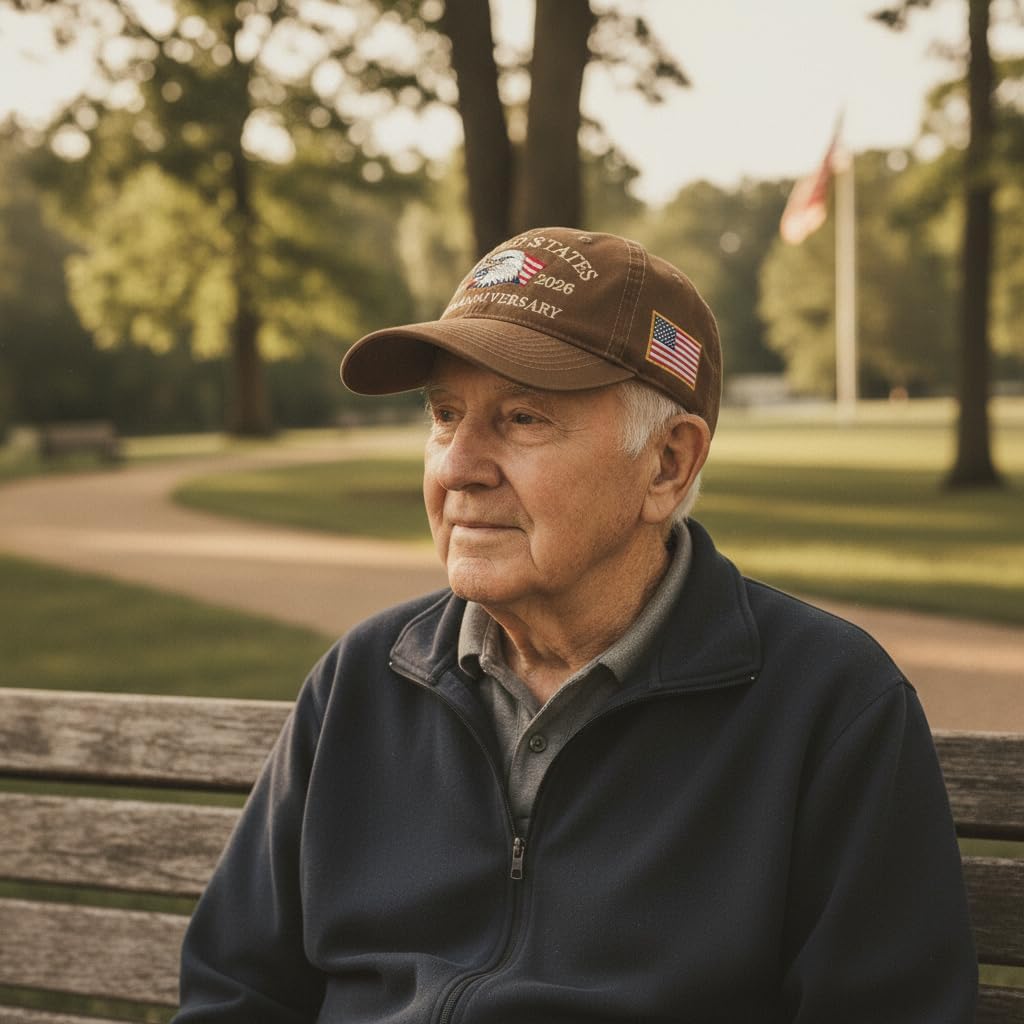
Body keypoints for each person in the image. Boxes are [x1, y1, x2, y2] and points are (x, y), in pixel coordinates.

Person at [173, 227, 977, 1023]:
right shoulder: (365, 676)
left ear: (668, 464)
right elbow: (235, 993)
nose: (458, 465)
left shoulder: (829, 705)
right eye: (445, 414)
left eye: (522, 418)